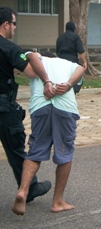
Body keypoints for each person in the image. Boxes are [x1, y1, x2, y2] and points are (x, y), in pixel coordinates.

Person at [12, 51, 85, 215]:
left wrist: (46, 82)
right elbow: (81, 68)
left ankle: (23, 190)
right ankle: (57, 201)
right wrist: (67, 85)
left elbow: (29, 56)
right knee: (65, 153)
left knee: (35, 151)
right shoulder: (67, 63)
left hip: (40, 106)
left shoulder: (34, 56)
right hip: (65, 108)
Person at [0, 6, 53, 205]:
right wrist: (37, 58)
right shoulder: (9, 48)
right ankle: (29, 188)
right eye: (14, 24)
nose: (14, 28)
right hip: (3, 108)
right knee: (16, 150)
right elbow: (31, 72)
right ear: (6, 25)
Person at [56, 21, 87, 94]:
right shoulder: (75, 37)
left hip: (61, 60)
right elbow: (81, 51)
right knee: (77, 76)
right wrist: (84, 61)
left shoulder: (60, 37)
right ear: (73, 28)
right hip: (72, 60)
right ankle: (74, 89)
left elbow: (57, 51)